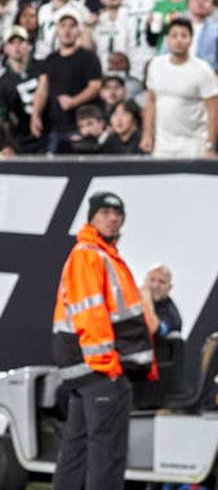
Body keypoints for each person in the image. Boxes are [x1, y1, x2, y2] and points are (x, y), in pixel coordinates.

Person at [51, 191, 158, 490]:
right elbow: (91, 313)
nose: (113, 218)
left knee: (77, 449)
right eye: (105, 212)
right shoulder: (89, 255)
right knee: (107, 452)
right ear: (92, 218)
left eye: (117, 214)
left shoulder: (103, 256)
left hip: (85, 370)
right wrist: (107, 367)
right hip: (97, 369)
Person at [142, 18, 218, 158]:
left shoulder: (203, 70)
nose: (179, 40)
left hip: (193, 143)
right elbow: (151, 101)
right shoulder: (155, 65)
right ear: (167, 39)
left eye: (184, 35)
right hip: (162, 144)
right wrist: (147, 134)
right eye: (174, 35)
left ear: (191, 40)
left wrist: (210, 145)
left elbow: (214, 111)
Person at [32, 7, 103, 153]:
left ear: (78, 31)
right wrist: (35, 115)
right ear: (56, 30)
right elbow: (42, 90)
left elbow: (95, 86)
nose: (67, 31)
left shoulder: (88, 57)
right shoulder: (50, 59)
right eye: (63, 26)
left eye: (72, 26)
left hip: (81, 127)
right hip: (55, 126)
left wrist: (73, 101)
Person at [0, 24, 40, 153]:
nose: (16, 46)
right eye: (12, 42)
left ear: (28, 45)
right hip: (20, 140)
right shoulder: (3, 82)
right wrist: (7, 144)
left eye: (20, 41)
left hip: (47, 135)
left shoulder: (42, 68)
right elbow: (4, 119)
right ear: (5, 48)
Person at [143, 264, 182, 338]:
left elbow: (153, 328)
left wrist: (146, 301)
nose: (156, 285)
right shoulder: (131, 298)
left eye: (162, 282)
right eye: (152, 280)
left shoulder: (172, 315)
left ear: (169, 287)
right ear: (145, 282)